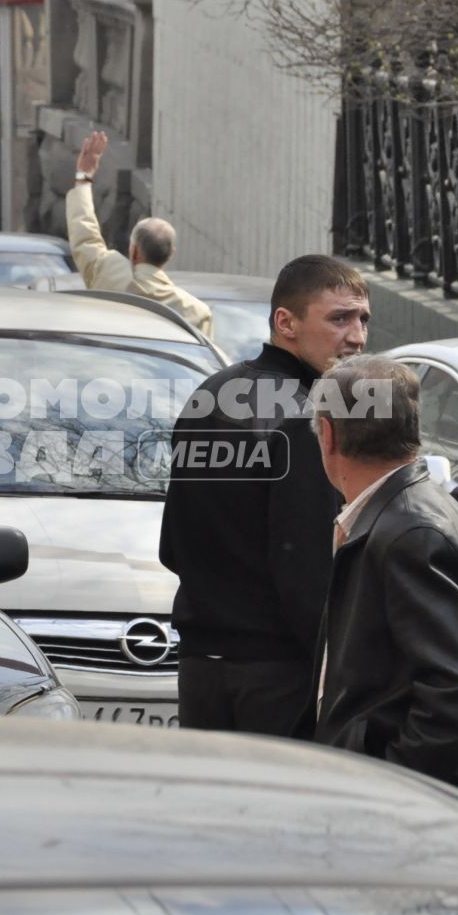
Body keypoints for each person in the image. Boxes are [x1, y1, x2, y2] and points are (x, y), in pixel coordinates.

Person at [159, 254, 370, 736]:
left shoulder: (210, 395)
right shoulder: (309, 417)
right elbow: (307, 572)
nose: (356, 335)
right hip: (278, 674)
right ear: (286, 322)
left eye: (362, 319)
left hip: (202, 667)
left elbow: (172, 547)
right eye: (339, 318)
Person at [312, 355, 458, 800]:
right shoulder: (402, 517)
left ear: (328, 435)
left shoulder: (411, 532)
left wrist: (390, 787)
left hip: (395, 808)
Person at [68, 131, 212, 337]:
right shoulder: (196, 313)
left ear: (133, 251)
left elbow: (84, 234)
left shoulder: (109, 275)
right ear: (171, 254)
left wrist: (84, 176)